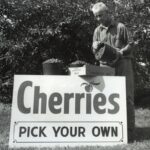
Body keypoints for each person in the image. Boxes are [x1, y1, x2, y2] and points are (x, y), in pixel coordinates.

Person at [91, 2, 135, 142]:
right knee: (106, 98)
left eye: (100, 15)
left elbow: (131, 44)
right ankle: (109, 131)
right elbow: (95, 52)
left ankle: (129, 132)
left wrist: (121, 52)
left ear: (107, 13)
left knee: (127, 96)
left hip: (123, 63)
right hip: (105, 66)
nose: (98, 19)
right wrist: (94, 46)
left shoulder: (120, 27)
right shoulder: (97, 31)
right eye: (96, 17)